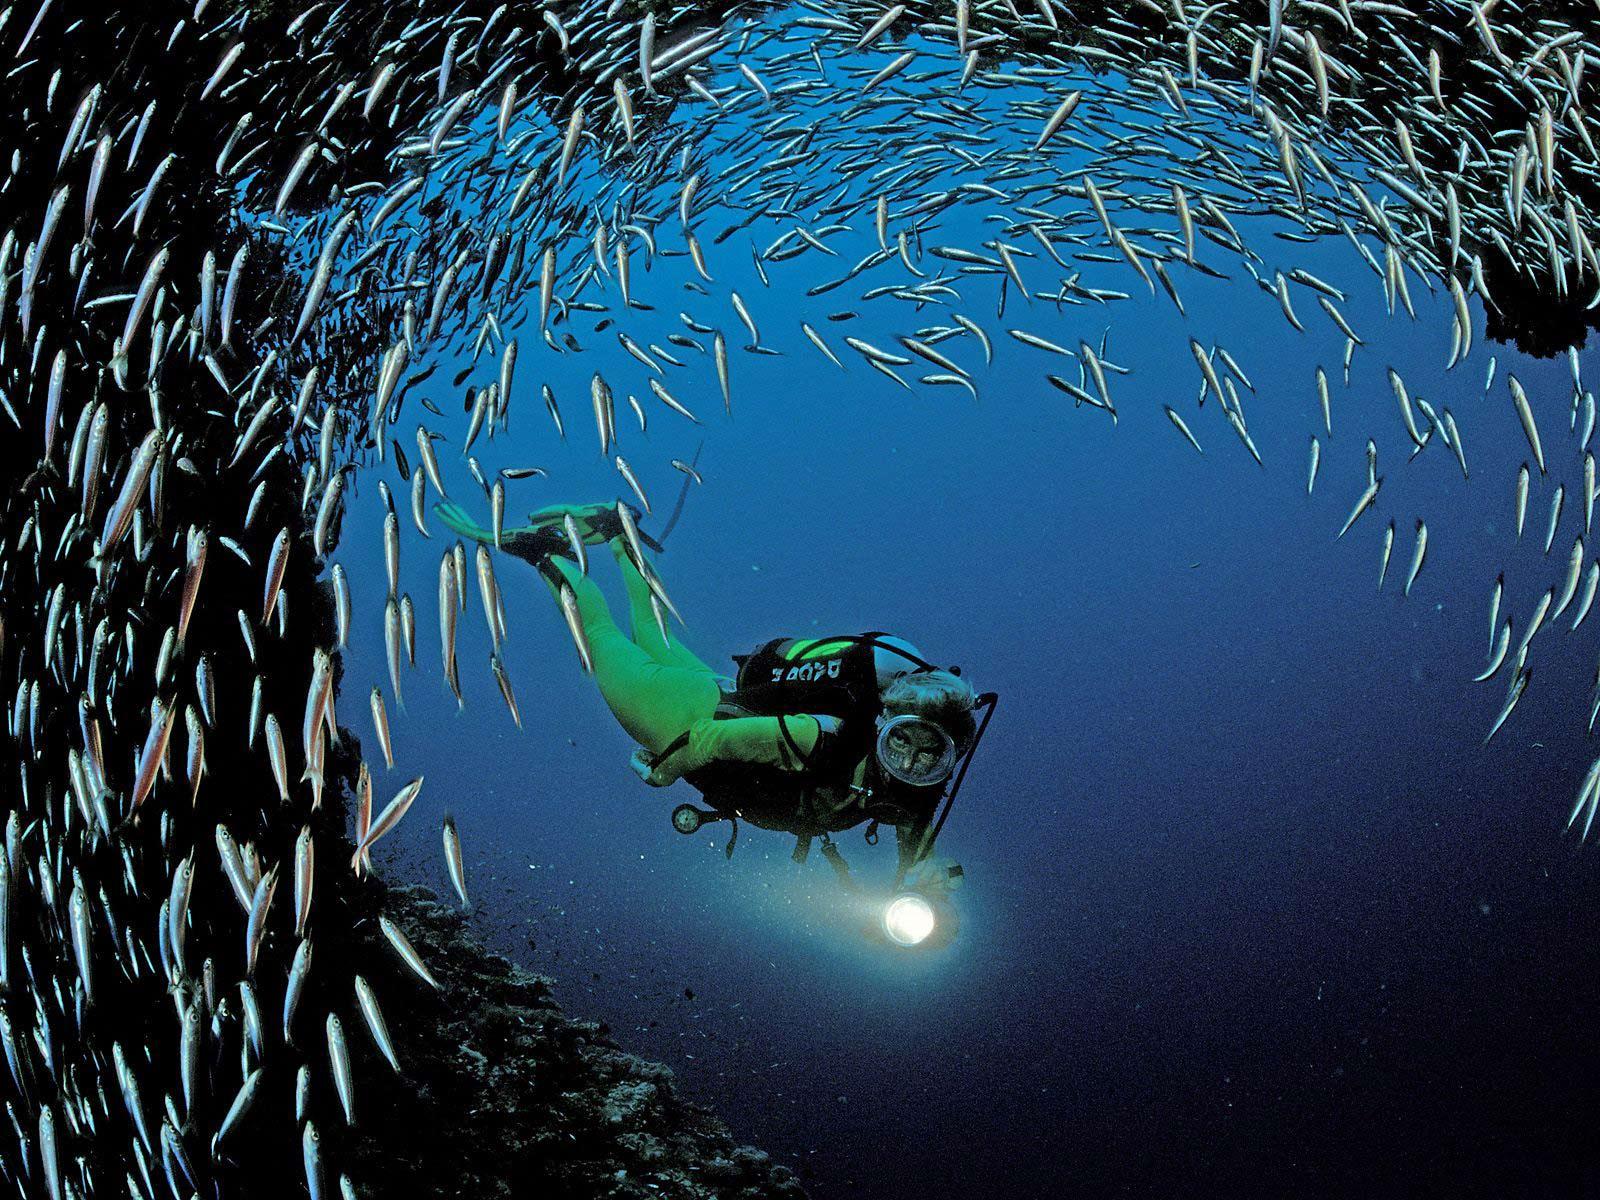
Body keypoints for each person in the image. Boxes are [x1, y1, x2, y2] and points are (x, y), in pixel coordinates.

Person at [436, 499, 994, 888]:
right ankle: (542, 550)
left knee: (654, 635)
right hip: (679, 714)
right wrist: (663, 771)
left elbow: (917, 851)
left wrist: (921, 881)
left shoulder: (917, 797)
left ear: (949, 758)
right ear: (884, 726)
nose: (910, 762)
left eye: (929, 758)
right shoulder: (816, 736)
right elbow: (706, 739)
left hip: (716, 691)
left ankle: (614, 530)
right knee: (601, 635)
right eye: (904, 742)